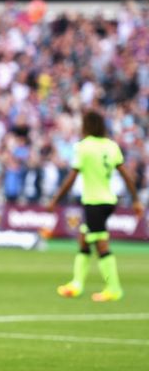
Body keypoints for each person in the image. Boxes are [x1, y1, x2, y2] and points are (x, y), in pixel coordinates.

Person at [47, 110, 143, 302]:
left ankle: (113, 288)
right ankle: (76, 284)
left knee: (101, 244)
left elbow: (71, 177)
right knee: (84, 239)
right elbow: (126, 175)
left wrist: (55, 200)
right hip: (108, 200)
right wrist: (135, 200)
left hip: (94, 202)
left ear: (86, 126)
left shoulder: (84, 147)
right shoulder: (111, 146)